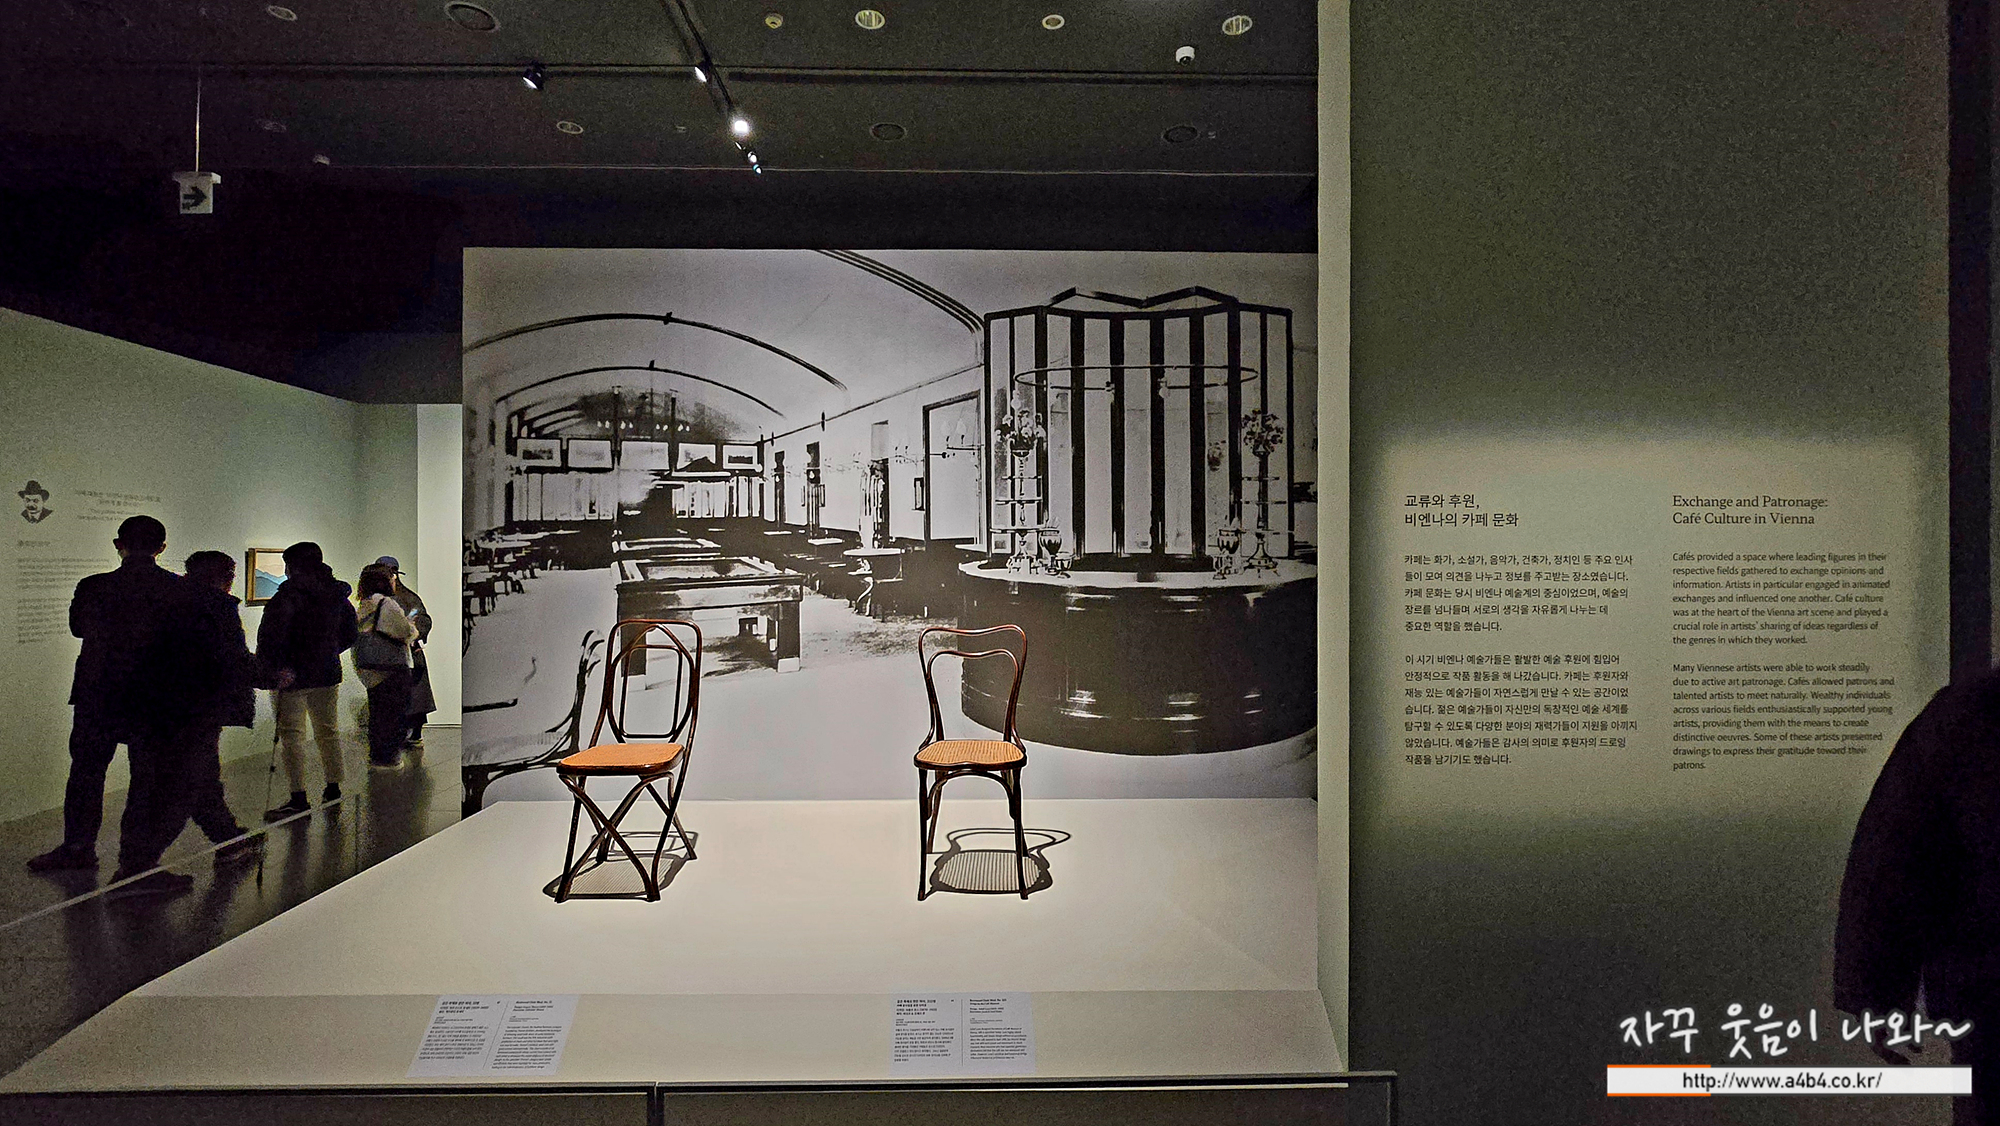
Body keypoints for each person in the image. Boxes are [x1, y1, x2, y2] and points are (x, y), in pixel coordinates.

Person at [1836, 668, 2000, 1125]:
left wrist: (1878, 992)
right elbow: (1894, 859)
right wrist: (1878, 992)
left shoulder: (1967, 714)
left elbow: (1892, 858)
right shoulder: (1968, 714)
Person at [26, 515, 185, 874]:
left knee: (86, 772)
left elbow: (78, 628)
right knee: (146, 780)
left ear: (119, 545)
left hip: (98, 692)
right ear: (162, 547)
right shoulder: (177, 589)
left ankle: (78, 847)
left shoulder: (94, 586)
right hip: (152, 697)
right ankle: (135, 860)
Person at [256, 542, 357, 820]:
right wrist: (327, 653)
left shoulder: (287, 597)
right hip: (326, 672)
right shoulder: (337, 595)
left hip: (291, 677)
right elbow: (350, 633)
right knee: (328, 731)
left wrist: (275, 670)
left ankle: (298, 797)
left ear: (292, 566)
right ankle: (333, 787)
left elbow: (271, 638)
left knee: (292, 736)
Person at [175, 551, 264, 864]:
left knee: (195, 778)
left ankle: (227, 835)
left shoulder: (170, 601)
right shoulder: (217, 607)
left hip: (169, 704)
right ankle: (138, 866)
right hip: (199, 706)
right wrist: (269, 675)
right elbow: (232, 657)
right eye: (230, 574)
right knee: (197, 779)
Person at [353, 564, 417, 770]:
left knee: (378, 715)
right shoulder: (386, 604)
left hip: (369, 667)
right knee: (394, 715)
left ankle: (377, 757)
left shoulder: (364, 605)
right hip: (390, 668)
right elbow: (404, 631)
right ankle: (389, 759)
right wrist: (412, 627)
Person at [374, 556, 435, 749]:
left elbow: (423, 620)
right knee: (404, 698)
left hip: (406, 655)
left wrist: (415, 637)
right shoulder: (386, 599)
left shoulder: (405, 598)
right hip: (395, 655)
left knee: (413, 697)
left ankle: (412, 734)